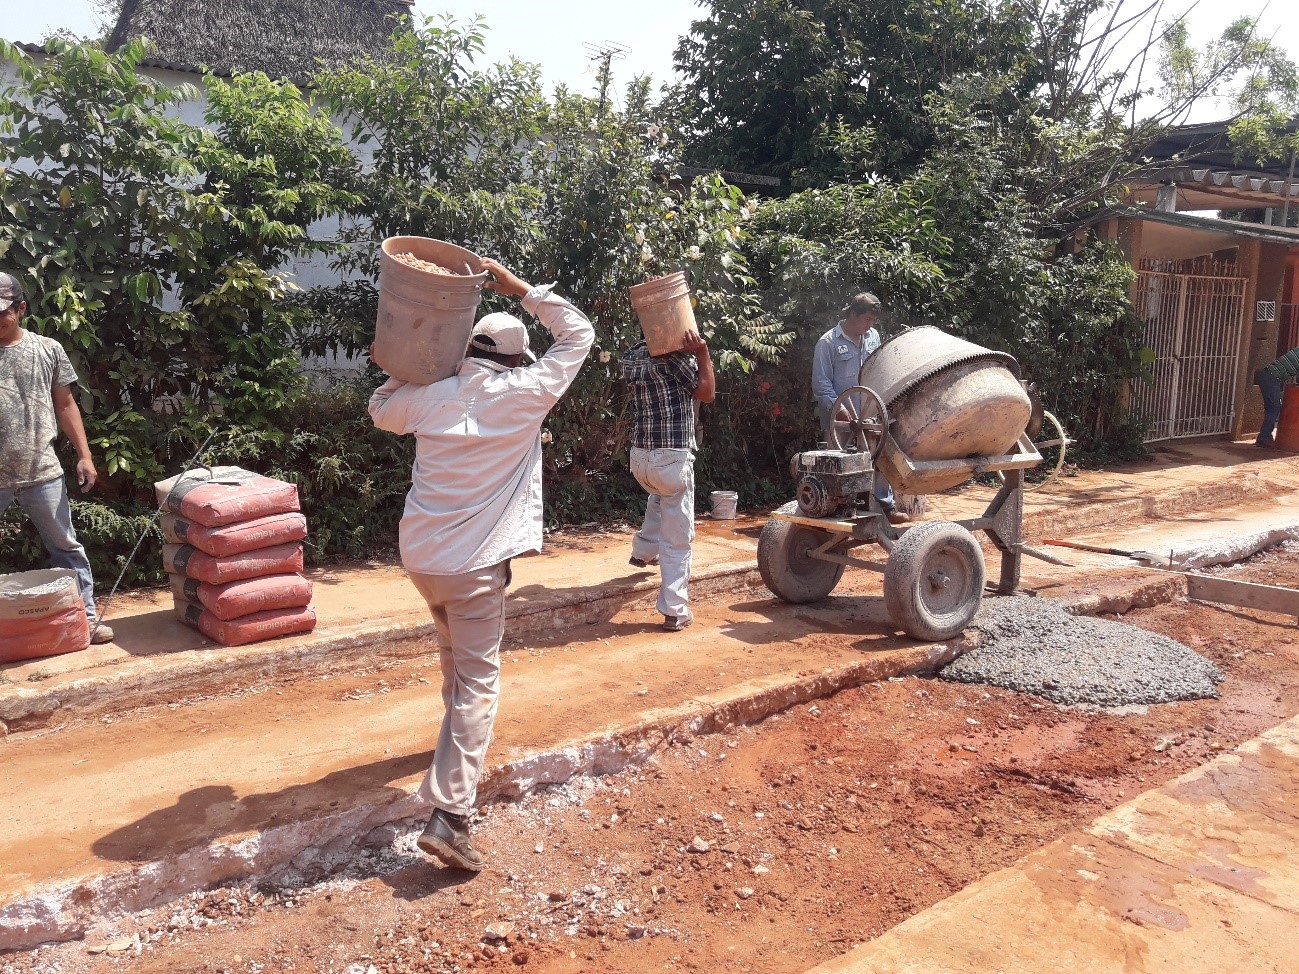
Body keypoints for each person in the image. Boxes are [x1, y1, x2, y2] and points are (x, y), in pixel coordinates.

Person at [368, 259, 592, 872]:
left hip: (422, 559)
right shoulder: (527, 394)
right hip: (473, 567)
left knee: (454, 660)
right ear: (519, 360)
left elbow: (380, 408)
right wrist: (522, 289)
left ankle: (448, 757)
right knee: (478, 681)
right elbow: (579, 335)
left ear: (467, 348)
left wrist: (404, 359)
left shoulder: (431, 395)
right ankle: (452, 815)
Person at [0, 272, 113, 645]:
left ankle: (87, 620)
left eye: (4, 312)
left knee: (65, 547)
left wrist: (84, 455)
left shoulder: (48, 349)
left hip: (41, 469)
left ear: (21, 308)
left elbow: (65, 404)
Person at [621, 328, 716, 632]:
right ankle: (675, 610)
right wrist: (701, 353)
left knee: (660, 495)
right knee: (677, 541)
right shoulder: (675, 361)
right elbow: (707, 393)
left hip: (640, 459)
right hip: (670, 459)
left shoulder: (631, 356)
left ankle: (643, 552)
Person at [811, 292, 904, 523]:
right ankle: (836, 511)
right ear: (852, 314)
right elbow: (821, 385)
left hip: (870, 415)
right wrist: (842, 411)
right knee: (838, 463)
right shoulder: (828, 343)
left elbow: (880, 370)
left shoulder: (873, 337)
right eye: (866, 319)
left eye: (873, 321)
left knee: (880, 457)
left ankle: (886, 507)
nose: (870, 325)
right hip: (840, 421)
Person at [1254, 345, 1299, 446]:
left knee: (1271, 408)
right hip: (1271, 378)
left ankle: (1266, 437)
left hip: (1267, 376)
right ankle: (1264, 438)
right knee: (1274, 409)